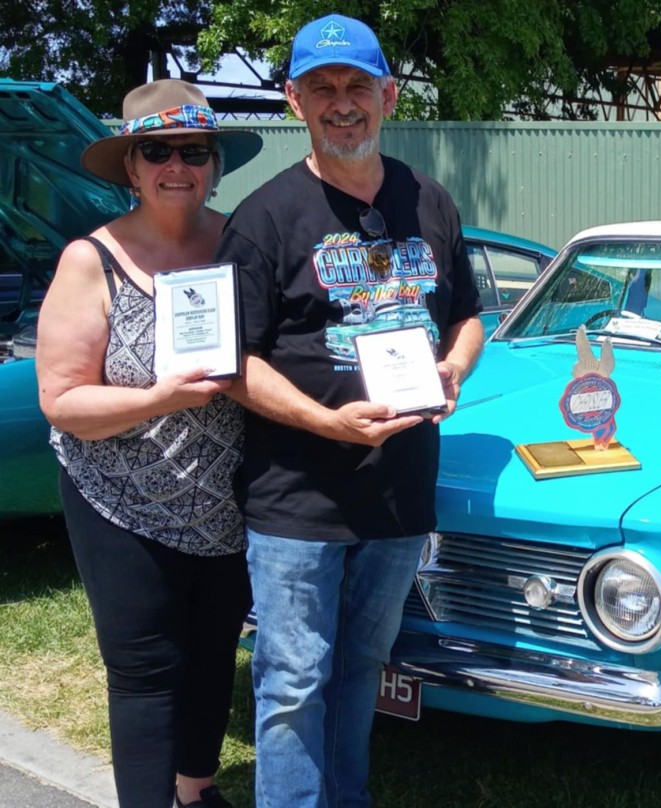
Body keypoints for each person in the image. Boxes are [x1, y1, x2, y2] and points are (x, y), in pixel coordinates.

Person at [214, 13, 484, 807]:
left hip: (398, 493)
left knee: (362, 668)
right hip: (297, 496)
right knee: (294, 681)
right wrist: (324, 421)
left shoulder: (427, 200)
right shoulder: (264, 217)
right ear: (294, 100)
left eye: (356, 87)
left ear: (388, 96)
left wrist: (454, 368)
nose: (342, 104)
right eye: (322, 89)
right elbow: (233, 361)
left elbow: (467, 315)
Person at [35, 79, 264, 808]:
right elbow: (63, 400)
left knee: (210, 658)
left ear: (215, 163)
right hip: (120, 503)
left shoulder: (242, 245)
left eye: (193, 150)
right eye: (157, 150)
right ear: (130, 167)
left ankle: (196, 791)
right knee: (145, 671)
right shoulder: (90, 260)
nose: (177, 166)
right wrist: (156, 399)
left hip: (228, 504)